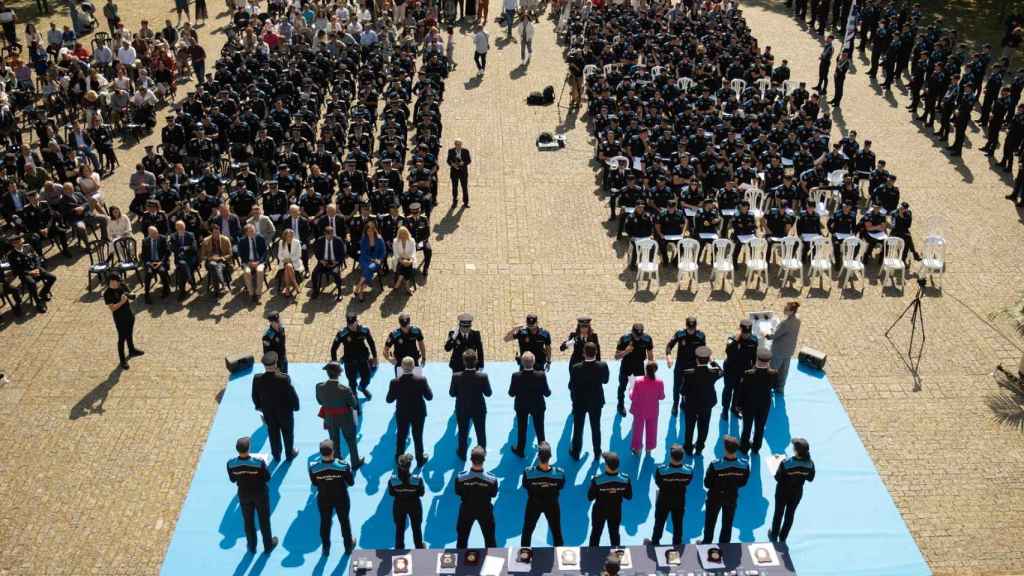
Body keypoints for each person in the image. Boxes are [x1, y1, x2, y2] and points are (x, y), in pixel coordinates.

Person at [227, 436, 278, 554]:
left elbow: (233, 479)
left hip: (244, 494)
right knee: (264, 520)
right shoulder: (258, 463)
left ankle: (252, 546)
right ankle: (268, 545)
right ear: (249, 448)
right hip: (260, 494)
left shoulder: (231, 464)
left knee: (248, 521)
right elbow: (267, 477)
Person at [309, 440, 356, 556]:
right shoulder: (343, 465)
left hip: (324, 498)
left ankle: (326, 548)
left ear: (320, 454)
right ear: (333, 452)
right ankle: (348, 547)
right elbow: (351, 482)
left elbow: (315, 483)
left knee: (325, 522)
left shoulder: (314, 468)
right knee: (344, 521)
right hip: (341, 497)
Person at [251, 351, 299, 460]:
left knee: (273, 434)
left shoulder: (257, 379)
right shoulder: (284, 378)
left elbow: (254, 395)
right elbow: (292, 395)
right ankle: (289, 453)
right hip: (285, 413)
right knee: (287, 433)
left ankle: (276, 455)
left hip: (268, 413)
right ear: (276, 363)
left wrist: (259, 407)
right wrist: (296, 407)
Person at [702, 435, 750, 544]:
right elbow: (743, 482)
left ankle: (707, 542)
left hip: (715, 497)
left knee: (710, 522)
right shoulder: (744, 465)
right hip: (732, 496)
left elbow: (707, 483)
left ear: (725, 449)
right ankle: (724, 545)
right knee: (727, 523)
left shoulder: (715, 465)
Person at [316, 362, 364, 470]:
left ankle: (337, 462)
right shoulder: (345, 389)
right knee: (351, 440)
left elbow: (320, 401)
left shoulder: (319, 387)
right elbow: (354, 404)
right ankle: (355, 462)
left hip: (329, 418)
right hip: (345, 418)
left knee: (334, 440)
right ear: (339, 374)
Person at [387, 357, 433, 466]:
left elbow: (389, 399)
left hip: (402, 413)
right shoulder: (422, 380)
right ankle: (420, 459)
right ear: (413, 367)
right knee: (418, 436)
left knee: (401, 436)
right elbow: (429, 397)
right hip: (418, 413)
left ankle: (399, 458)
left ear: (402, 367)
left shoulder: (395, 382)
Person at [645, 444, 693, 547]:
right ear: (683, 457)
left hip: (664, 500)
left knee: (659, 522)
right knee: (678, 524)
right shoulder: (689, 471)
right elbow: (688, 482)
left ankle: (655, 542)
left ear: (670, 457)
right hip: (679, 500)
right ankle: (677, 544)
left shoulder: (661, 470)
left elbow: (658, 482)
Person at [769, 437, 815, 544]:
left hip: (782, 492)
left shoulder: (786, 462)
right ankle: (783, 537)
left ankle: (774, 535)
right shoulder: (810, 463)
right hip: (796, 493)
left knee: (778, 514)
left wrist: (776, 464)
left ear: (796, 450)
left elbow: (777, 478)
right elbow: (810, 478)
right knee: (790, 515)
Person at [568, 341, 608, 460]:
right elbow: (605, 380)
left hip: (579, 402)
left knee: (578, 428)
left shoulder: (576, 368)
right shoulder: (603, 366)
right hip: (596, 401)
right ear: (596, 352)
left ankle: (576, 452)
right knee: (596, 427)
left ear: (583, 353)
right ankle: (597, 452)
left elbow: (571, 386)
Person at [520, 441, 565, 547]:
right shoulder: (559, 474)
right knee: (556, 532)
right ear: (550, 457)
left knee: (527, 530)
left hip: (533, 504)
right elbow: (560, 486)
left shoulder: (528, 473)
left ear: (538, 457)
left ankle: (524, 555)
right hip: (552, 505)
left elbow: (525, 485)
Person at [508, 351, 551, 457]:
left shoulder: (516, 376)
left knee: (522, 429)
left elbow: (511, 393)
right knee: (540, 430)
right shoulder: (541, 375)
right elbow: (547, 393)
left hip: (521, 406)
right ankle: (543, 453)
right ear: (534, 362)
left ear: (522, 362)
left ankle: (520, 450)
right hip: (538, 406)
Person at [450, 350, 491, 458]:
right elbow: (488, 393)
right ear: (476, 361)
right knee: (481, 432)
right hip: (479, 408)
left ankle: (462, 453)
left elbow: (452, 393)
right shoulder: (483, 376)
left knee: (462, 433)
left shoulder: (456, 376)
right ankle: (482, 454)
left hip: (462, 408)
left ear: (463, 362)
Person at [455, 446, 498, 548]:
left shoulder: (460, 478)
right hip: (485, 511)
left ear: (471, 460)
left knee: (462, 539)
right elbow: (493, 494)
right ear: (484, 460)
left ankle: (460, 563)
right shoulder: (492, 480)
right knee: (490, 539)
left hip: (466, 510)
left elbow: (458, 492)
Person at [587, 451, 632, 546]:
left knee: (595, 534)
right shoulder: (625, 479)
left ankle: (591, 556)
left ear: (607, 466)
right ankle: (616, 555)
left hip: (599, 512)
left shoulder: (597, 480)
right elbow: (628, 496)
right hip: (615, 511)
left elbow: (590, 497)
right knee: (615, 534)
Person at [682, 346, 721, 455]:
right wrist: (713, 362)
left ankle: (688, 448)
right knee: (704, 427)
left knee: (689, 427)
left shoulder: (688, 373)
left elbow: (683, 390)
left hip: (691, 404)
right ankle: (699, 447)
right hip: (707, 404)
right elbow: (721, 372)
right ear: (708, 359)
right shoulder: (713, 372)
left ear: (696, 359)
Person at [737, 348, 777, 453]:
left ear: (757, 360)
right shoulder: (773, 373)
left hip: (749, 405)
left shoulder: (748, 373)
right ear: (769, 362)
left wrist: (739, 405)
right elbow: (774, 386)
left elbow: (741, 391)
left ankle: (744, 447)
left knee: (747, 428)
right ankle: (756, 447)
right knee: (760, 427)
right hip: (764, 405)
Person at [330, 314, 378, 400]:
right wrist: (335, 362)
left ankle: (362, 388)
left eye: (353, 323)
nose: (351, 326)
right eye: (349, 324)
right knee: (352, 383)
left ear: (357, 321)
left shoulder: (364, 330)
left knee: (367, 378)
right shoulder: (342, 333)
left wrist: (375, 357)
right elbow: (333, 349)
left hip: (363, 359)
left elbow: (371, 343)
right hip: (349, 361)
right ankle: (355, 404)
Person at [665, 316, 706, 416]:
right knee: (677, 386)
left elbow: (703, 350)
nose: (691, 331)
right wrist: (669, 357)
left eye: (693, 329)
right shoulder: (680, 334)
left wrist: (706, 361)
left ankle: (684, 403)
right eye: (689, 328)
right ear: (686, 326)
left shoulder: (701, 336)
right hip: (681, 364)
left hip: (693, 365)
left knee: (690, 386)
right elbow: (669, 346)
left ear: (696, 327)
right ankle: (675, 404)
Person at [614, 323, 655, 416]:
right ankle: (620, 405)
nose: (637, 338)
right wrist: (626, 351)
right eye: (636, 335)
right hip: (626, 367)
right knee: (622, 387)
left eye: (639, 336)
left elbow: (650, 355)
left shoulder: (647, 339)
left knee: (640, 389)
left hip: (639, 367)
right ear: (632, 332)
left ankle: (638, 405)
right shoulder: (624, 339)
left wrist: (651, 368)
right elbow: (616, 357)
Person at [103, 273, 143, 369]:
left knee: (129, 334)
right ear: (111, 282)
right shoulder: (107, 293)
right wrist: (122, 301)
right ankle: (122, 360)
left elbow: (131, 294)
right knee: (121, 338)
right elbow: (112, 308)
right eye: (117, 282)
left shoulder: (122, 286)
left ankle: (131, 349)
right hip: (119, 318)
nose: (118, 284)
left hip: (129, 314)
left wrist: (130, 294)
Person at [8, 234, 55, 313]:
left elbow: (36, 258)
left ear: (21, 240)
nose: (18, 243)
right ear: (13, 244)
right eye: (15, 242)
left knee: (52, 277)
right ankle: (38, 302)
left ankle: (43, 293)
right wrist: (30, 272)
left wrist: (37, 268)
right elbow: (16, 270)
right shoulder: (11, 255)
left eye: (19, 241)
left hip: (36, 269)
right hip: (25, 274)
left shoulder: (28, 246)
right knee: (32, 283)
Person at [722, 319, 758, 419]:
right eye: (744, 333)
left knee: (738, 391)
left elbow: (754, 357)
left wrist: (753, 369)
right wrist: (736, 342)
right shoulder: (732, 340)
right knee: (728, 390)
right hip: (731, 370)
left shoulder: (754, 340)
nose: (746, 335)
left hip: (744, 371)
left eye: (748, 333)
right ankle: (725, 409)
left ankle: (734, 408)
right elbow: (728, 353)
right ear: (740, 330)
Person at [389, 453, 426, 550]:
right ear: (409, 466)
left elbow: (392, 493)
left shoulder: (393, 480)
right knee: (416, 528)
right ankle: (419, 547)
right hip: (414, 505)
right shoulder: (417, 480)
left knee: (399, 529)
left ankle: (399, 549)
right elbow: (421, 493)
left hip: (399, 506)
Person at [629, 361, 664, 455]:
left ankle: (637, 449)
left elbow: (633, 397)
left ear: (645, 370)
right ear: (656, 370)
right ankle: (649, 449)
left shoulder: (638, 381)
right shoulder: (659, 382)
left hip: (639, 410)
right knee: (652, 429)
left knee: (637, 430)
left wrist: (630, 391)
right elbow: (661, 397)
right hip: (653, 410)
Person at [768, 302, 801, 393]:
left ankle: (769, 387)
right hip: (789, 350)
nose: (784, 310)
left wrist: (766, 334)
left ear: (791, 312)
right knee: (784, 371)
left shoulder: (785, 323)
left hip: (779, 351)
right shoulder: (798, 320)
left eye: (786, 309)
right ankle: (780, 388)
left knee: (773, 370)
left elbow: (774, 335)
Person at [310, 225, 345, 299]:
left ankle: (339, 292)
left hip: (335, 262)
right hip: (323, 261)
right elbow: (316, 252)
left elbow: (343, 253)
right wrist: (321, 260)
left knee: (336, 274)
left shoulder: (338, 240)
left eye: (331, 234)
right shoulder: (320, 240)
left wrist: (337, 261)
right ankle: (315, 291)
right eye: (328, 235)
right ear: (324, 234)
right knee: (314, 273)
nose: (330, 236)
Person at [355, 220, 385, 301]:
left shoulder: (379, 238)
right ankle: (360, 289)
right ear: (366, 231)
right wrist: (372, 259)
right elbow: (363, 253)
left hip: (376, 260)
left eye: (371, 230)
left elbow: (383, 251)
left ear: (374, 230)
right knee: (367, 268)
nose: (370, 232)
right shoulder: (364, 239)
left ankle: (360, 287)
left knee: (368, 269)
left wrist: (379, 259)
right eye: (368, 231)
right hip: (365, 259)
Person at [141, 225, 171, 303]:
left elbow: (167, 252)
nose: (155, 235)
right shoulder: (145, 241)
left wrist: (161, 262)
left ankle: (166, 289)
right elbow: (143, 255)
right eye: (153, 234)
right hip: (150, 262)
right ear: (149, 234)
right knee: (148, 273)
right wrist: (148, 263)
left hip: (160, 261)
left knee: (162, 271)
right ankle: (146, 293)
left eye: (156, 233)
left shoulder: (163, 238)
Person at [238, 224, 268, 302]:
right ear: (246, 233)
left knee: (260, 271)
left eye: (253, 231)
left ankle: (258, 293)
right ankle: (251, 293)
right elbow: (241, 254)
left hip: (259, 261)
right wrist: (248, 262)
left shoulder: (260, 238)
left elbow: (264, 252)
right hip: (247, 262)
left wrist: (259, 262)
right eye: (250, 231)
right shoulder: (242, 241)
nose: (253, 232)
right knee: (247, 272)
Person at [276, 227, 303, 298]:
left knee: (288, 267)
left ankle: (287, 288)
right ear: (285, 236)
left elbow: (299, 254)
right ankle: (295, 284)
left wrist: (291, 260)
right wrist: (284, 260)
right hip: (284, 262)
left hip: (295, 262)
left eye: (291, 236)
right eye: (288, 236)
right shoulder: (281, 242)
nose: (290, 238)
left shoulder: (297, 242)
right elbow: (279, 254)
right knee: (288, 266)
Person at [391, 226, 417, 294]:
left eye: (404, 233)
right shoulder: (395, 241)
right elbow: (395, 253)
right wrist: (401, 261)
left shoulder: (412, 240)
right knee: (405, 267)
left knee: (406, 266)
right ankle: (407, 287)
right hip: (399, 259)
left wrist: (410, 260)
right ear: (398, 234)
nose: (403, 235)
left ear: (407, 233)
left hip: (409, 259)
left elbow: (414, 252)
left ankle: (398, 283)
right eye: (401, 234)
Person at [447, 140, 471, 207]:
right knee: (454, 188)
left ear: (461, 144)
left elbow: (469, 160)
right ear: (455, 145)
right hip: (454, 172)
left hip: (463, 172)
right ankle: (455, 201)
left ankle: (466, 202)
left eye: (460, 144)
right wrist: (453, 165)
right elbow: (448, 161)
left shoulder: (466, 151)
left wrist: (463, 163)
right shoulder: (451, 151)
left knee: (464, 187)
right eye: (457, 144)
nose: (458, 146)